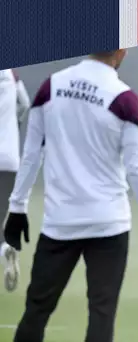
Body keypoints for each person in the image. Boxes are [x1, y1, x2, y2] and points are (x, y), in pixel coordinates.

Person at [4, 50, 138, 342]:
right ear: (122, 51)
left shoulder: (50, 87)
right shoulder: (125, 99)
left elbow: (31, 154)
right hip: (109, 224)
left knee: (36, 311)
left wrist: (17, 208)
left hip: (59, 223)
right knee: (102, 315)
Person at [0, 69, 30, 292]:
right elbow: (25, 104)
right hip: (9, 157)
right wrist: (14, 124)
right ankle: (4, 248)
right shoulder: (11, 74)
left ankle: (4, 248)